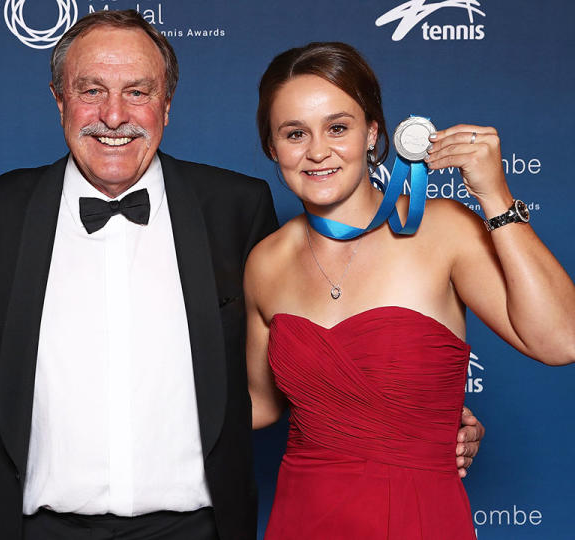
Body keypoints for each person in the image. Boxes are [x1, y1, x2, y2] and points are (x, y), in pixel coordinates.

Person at [0, 12, 484, 539]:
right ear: (59, 99)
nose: (114, 113)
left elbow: (301, 345)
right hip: (33, 531)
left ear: (168, 102)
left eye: (138, 91)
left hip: (197, 528)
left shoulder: (237, 210)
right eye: (91, 89)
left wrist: (413, 420)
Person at [244, 41, 575, 539]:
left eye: (338, 127)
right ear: (272, 146)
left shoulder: (441, 228)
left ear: (373, 131)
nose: (317, 151)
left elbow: (562, 340)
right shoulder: (265, 262)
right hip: (301, 516)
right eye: (294, 133)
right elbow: (259, 405)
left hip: (418, 518)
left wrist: (494, 196)